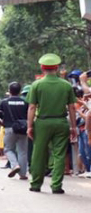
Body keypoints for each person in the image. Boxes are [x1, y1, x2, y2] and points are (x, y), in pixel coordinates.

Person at [27, 53, 78, 194]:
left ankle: (36, 184)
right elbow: (72, 107)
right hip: (61, 122)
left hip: (42, 122)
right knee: (59, 154)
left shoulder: (37, 85)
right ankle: (56, 186)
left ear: (42, 68)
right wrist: (73, 127)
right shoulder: (66, 85)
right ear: (56, 67)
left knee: (39, 153)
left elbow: (32, 107)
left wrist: (30, 126)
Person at [0, 81, 29, 180]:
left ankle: (14, 165)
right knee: (22, 151)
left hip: (9, 128)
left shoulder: (4, 102)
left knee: (8, 149)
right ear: (20, 91)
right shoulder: (25, 102)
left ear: (9, 91)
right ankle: (23, 174)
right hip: (23, 129)